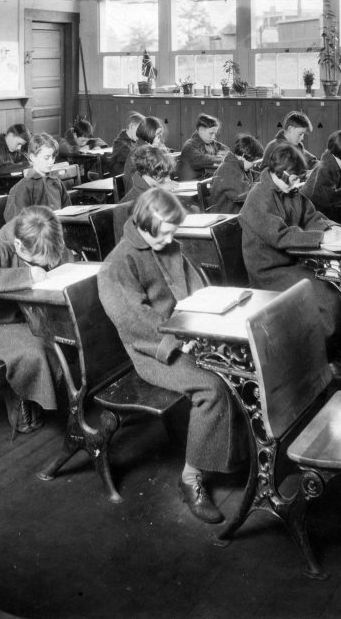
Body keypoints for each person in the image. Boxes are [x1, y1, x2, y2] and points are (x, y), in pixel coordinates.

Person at [99, 188, 240, 524]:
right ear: (144, 224)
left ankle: (229, 451)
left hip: (187, 333)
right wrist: (180, 340)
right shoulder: (118, 264)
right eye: (165, 232)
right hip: (152, 351)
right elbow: (136, 323)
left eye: (173, 231)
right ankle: (191, 479)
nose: (171, 238)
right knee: (211, 388)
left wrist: (208, 318)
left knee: (236, 365)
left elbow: (197, 288)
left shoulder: (167, 244)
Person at [238, 143, 341, 369]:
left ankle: (333, 352)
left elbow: (310, 216)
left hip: (292, 261)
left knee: (339, 287)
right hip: (269, 270)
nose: (299, 184)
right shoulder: (259, 196)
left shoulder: (289, 189)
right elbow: (279, 236)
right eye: (296, 179)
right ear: (283, 173)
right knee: (327, 295)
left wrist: (332, 228)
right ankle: (320, 360)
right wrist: (320, 239)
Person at [0, 205, 70, 435]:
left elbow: (61, 255)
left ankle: (43, 396)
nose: (40, 264)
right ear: (18, 246)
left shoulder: (41, 237)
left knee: (62, 340)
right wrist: (27, 274)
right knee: (34, 350)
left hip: (29, 315)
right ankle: (21, 395)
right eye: (35, 260)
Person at [3, 133, 70, 221]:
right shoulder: (23, 187)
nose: (51, 161)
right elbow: (16, 222)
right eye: (46, 158)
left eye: (53, 157)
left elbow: (68, 211)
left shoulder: (56, 182)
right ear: (32, 157)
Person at [206, 134, 263, 213]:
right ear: (243, 157)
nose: (254, 165)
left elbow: (256, 176)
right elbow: (242, 192)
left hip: (235, 213)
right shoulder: (227, 169)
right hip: (226, 218)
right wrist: (264, 185)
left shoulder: (237, 165)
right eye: (253, 162)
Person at [178, 114, 230, 180]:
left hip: (205, 179)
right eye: (211, 133)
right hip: (192, 183)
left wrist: (224, 154)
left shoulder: (211, 143)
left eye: (215, 134)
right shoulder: (189, 145)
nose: (213, 137)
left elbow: (226, 150)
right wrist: (219, 158)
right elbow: (199, 160)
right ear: (201, 130)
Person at [121, 116, 168, 184]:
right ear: (148, 133)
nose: (159, 139)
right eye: (157, 135)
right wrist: (162, 186)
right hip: (139, 192)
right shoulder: (141, 152)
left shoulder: (145, 148)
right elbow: (142, 182)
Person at [108, 111, 144, 176]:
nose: (141, 134)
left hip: (131, 175)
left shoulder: (134, 141)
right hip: (122, 178)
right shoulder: (120, 143)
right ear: (132, 126)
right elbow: (132, 161)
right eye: (140, 130)